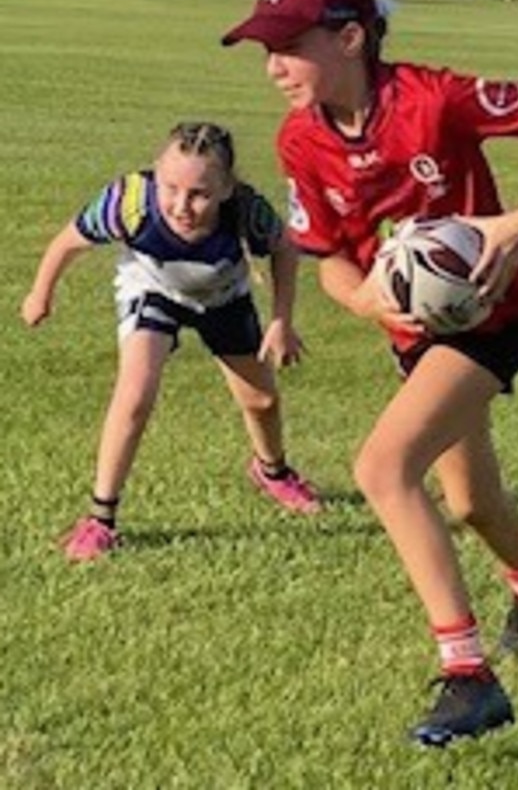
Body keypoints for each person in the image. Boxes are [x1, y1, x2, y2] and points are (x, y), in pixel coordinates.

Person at [221, 0, 518, 746]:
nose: (274, 66)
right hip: (414, 336)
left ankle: (468, 676)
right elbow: (326, 254)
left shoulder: (434, 99)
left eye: (289, 45)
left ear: (353, 38)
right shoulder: (301, 141)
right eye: (266, 48)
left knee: (381, 467)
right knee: (470, 503)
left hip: (494, 320)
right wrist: (362, 295)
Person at [21, 121, 321, 562]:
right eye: (170, 187)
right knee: (135, 393)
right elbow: (67, 242)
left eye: (199, 193)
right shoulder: (129, 201)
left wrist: (281, 320)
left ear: (224, 189)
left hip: (224, 297)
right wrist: (40, 293)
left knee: (261, 402)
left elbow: (284, 248)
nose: (181, 205)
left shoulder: (246, 209)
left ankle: (271, 471)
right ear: (155, 174)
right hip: (153, 290)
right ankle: (100, 519)